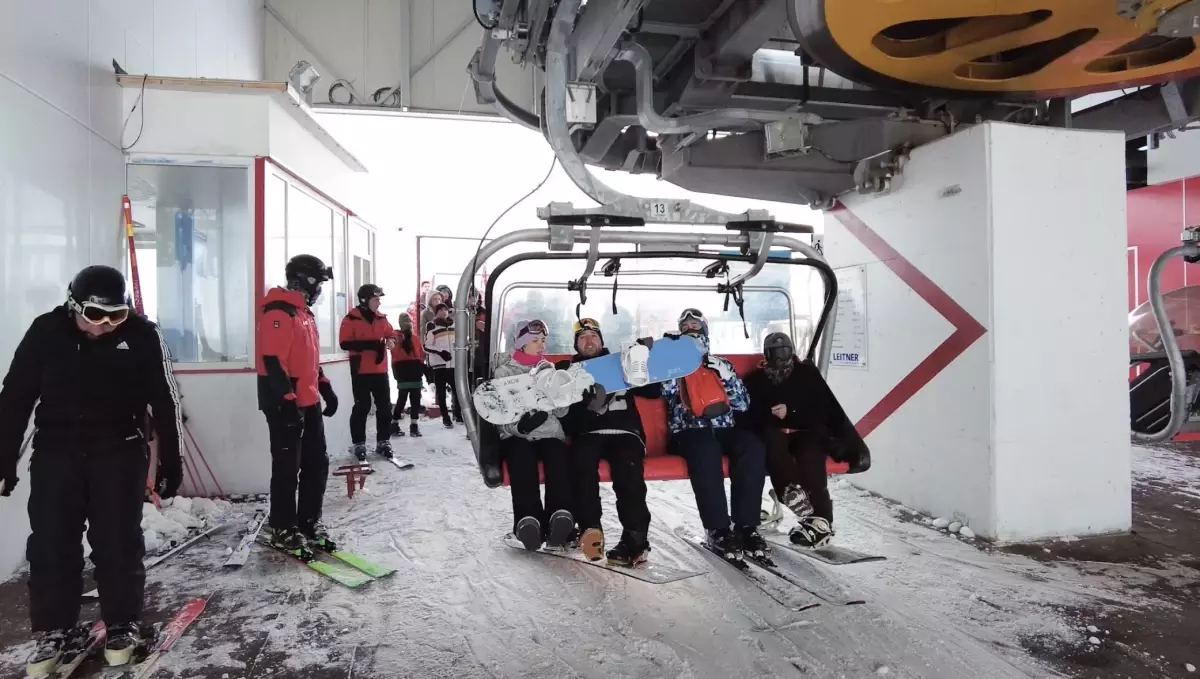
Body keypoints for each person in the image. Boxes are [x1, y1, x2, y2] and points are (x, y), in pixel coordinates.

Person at [0, 265, 184, 675]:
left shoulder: (141, 335)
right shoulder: (46, 332)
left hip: (118, 452)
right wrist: (4, 457)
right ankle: (55, 630)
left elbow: (166, 400)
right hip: (56, 453)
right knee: (50, 543)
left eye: (114, 316)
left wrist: (173, 460)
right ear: (72, 306)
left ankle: (122, 623)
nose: (103, 327)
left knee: (117, 541)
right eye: (94, 316)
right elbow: (15, 396)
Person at [741, 333, 870, 547]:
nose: (780, 358)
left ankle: (821, 520)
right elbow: (747, 413)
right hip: (773, 431)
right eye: (774, 353)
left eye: (784, 352)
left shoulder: (807, 374)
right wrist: (771, 414)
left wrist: (790, 413)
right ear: (766, 354)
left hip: (805, 430)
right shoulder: (755, 379)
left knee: (811, 456)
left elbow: (821, 409)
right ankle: (791, 491)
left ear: (791, 351)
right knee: (773, 445)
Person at [661, 309, 769, 561]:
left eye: (695, 325)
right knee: (705, 449)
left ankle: (746, 526)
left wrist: (728, 376)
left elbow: (742, 405)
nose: (690, 329)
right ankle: (718, 528)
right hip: (688, 432)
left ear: (704, 330)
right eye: (685, 326)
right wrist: (671, 358)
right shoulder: (673, 365)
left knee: (751, 446)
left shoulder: (721, 364)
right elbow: (663, 392)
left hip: (723, 428)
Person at [257, 254, 339, 559]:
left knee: (317, 463)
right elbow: (272, 362)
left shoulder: (304, 314)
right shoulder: (278, 312)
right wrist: (288, 402)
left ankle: (307, 522)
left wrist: (325, 386)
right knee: (287, 468)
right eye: (319, 283)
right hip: (285, 404)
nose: (320, 290)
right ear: (307, 280)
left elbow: (308, 360)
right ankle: (282, 527)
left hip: (308, 399)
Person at [556, 318, 655, 566]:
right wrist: (587, 409)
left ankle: (635, 537)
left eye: (594, 337)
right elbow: (566, 421)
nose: (589, 341)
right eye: (583, 338)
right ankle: (591, 530)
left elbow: (653, 392)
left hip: (625, 432)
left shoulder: (622, 361)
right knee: (581, 465)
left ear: (601, 341)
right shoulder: (569, 372)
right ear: (576, 345)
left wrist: (645, 360)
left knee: (628, 472)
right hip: (589, 434)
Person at [494, 320, 575, 550]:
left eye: (542, 341)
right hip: (518, 435)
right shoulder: (505, 372)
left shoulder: (547, 369)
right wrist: (518, 427)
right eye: (535, 341)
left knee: (557, 454)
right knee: (521, 457)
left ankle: (560, 515)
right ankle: (527, 520)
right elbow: (498, 412)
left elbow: (561, 411)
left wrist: (561, 389)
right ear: (521, 343)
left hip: (548, 430)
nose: (541, 345)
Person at [339, 284, 396, 460]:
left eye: (379, 300)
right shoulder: (351, 319)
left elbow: (391, 333)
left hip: (380, 370)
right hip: (361, 370)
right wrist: (369, 345)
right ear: (365, 300)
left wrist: (391, 341)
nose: (379, 303)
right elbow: (344, 343)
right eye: (376, 299)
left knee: (384, 407)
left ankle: (383, 441)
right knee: (362, 407)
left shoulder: (382, 319)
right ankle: (359, 443)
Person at [423, 303, 461, 427]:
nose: (443, 312)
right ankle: (445, 416)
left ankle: (458, 414)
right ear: (436, 312)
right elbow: (426, 346)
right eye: (440, 310)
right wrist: (440, 352)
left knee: (457, 390)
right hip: (440, 365)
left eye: (445, 310)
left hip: (453, 363)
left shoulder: (453, 325)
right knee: (441, 392)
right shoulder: (432, 326)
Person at [390, 312, 425, 438]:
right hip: (414, 369)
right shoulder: (414, 338)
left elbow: (393, 354)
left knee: (402, 398)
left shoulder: (396, 337)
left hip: (401, 370)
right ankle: (414, 426)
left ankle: (394, 423)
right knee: (415, 399)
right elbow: (421, 355)